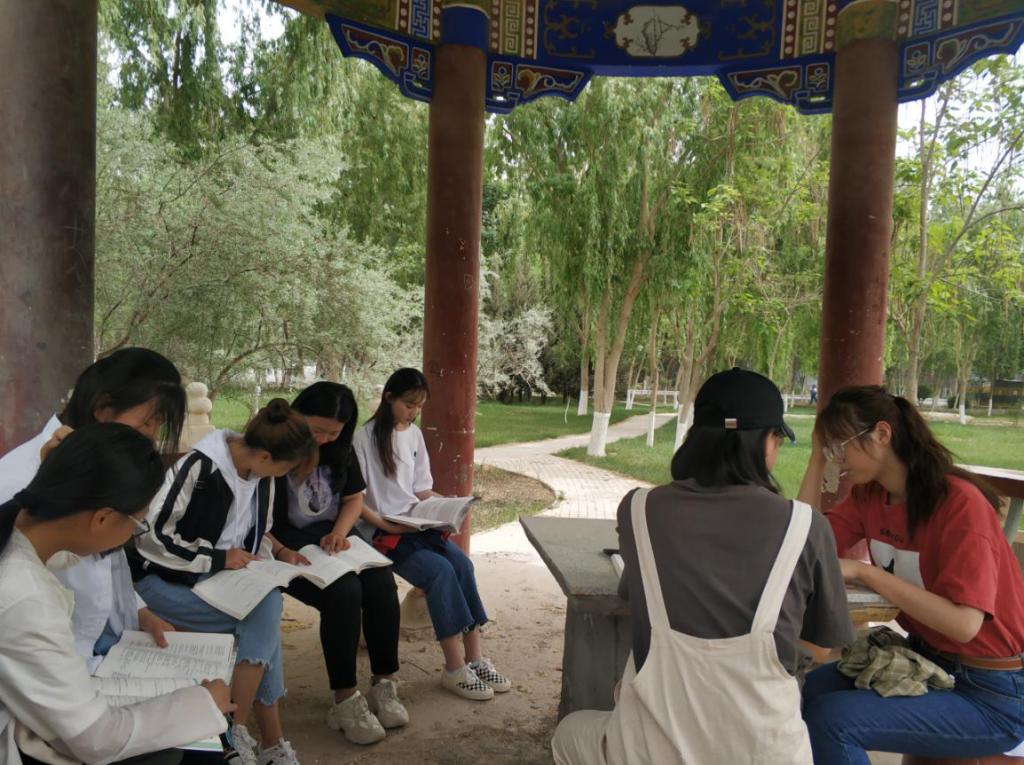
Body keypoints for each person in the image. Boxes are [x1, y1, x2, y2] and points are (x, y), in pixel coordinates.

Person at [552, 367, 853, 765]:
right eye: (777, 439)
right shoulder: (806, 525)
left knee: (568, 734)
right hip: (767, 754)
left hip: (651, 754)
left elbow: (631, 593)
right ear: (765, 441)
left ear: (697, 436)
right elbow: (820, 645)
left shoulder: (638, 509)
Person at [798, 385, 1024, 763]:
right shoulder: (870, 497)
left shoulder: (959, 504)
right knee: (802, 691)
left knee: (832, 720)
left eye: (840, 446)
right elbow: (805, 546)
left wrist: (868, 574)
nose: (837, 458)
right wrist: (815, 458)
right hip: (927, 660)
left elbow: (964, 625)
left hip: (991, 692)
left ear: (882, 434)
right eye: (829, 448)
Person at [0, 423, 232, 765]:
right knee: (200, 754)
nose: (132, 535)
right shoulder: (26, 597)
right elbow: (95, 739)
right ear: (103, 518)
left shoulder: (19, 535)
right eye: (138, 523)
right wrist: (203, 704)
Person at [134, 400, 317, 765]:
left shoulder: (262, 479)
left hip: (222, 584)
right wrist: (218, 559)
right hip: (166, 582)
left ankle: (248, 738)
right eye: (284, 468)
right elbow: (152, 536)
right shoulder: (200, 467)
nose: (283, 476)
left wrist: (270, 561)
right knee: (264, 618)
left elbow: (257, 535)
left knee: (266, 608)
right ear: (264, 456)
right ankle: (243, 732)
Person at [0, 348, 186, 672]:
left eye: (159, 425)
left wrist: (138, 611)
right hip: (56, 663)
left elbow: (105, 555)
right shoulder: (17, 481)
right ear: (103, 410)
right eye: (147, 423)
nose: (152, 437)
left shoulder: (101, 464)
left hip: (97, 644)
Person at [352, 368, 511, 701]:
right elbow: (356, 500)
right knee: (440, 572)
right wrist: (385, 525)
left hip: (414, 523)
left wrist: (448, 506)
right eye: (409, 405)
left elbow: (421, 489)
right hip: (383, 531)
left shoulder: (414, 435)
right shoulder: (363, 439)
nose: (414, 412)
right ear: (389, 398)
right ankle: (454, 669)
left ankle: (475, 658)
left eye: (420, 406)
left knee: (463, 566)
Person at [271, 382, 406, 745]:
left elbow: (352, 499)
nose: (324, 439)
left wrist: (340, 532)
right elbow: (250, 518)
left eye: (333, 433)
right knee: (343, 592)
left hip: (332, 539)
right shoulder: (275, 445)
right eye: (317, 430)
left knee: (380, 579)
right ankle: (344, 700)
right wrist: (280, 549)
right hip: (286, 544)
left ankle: (384, 682)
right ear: (296, 414)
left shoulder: (339, 449)